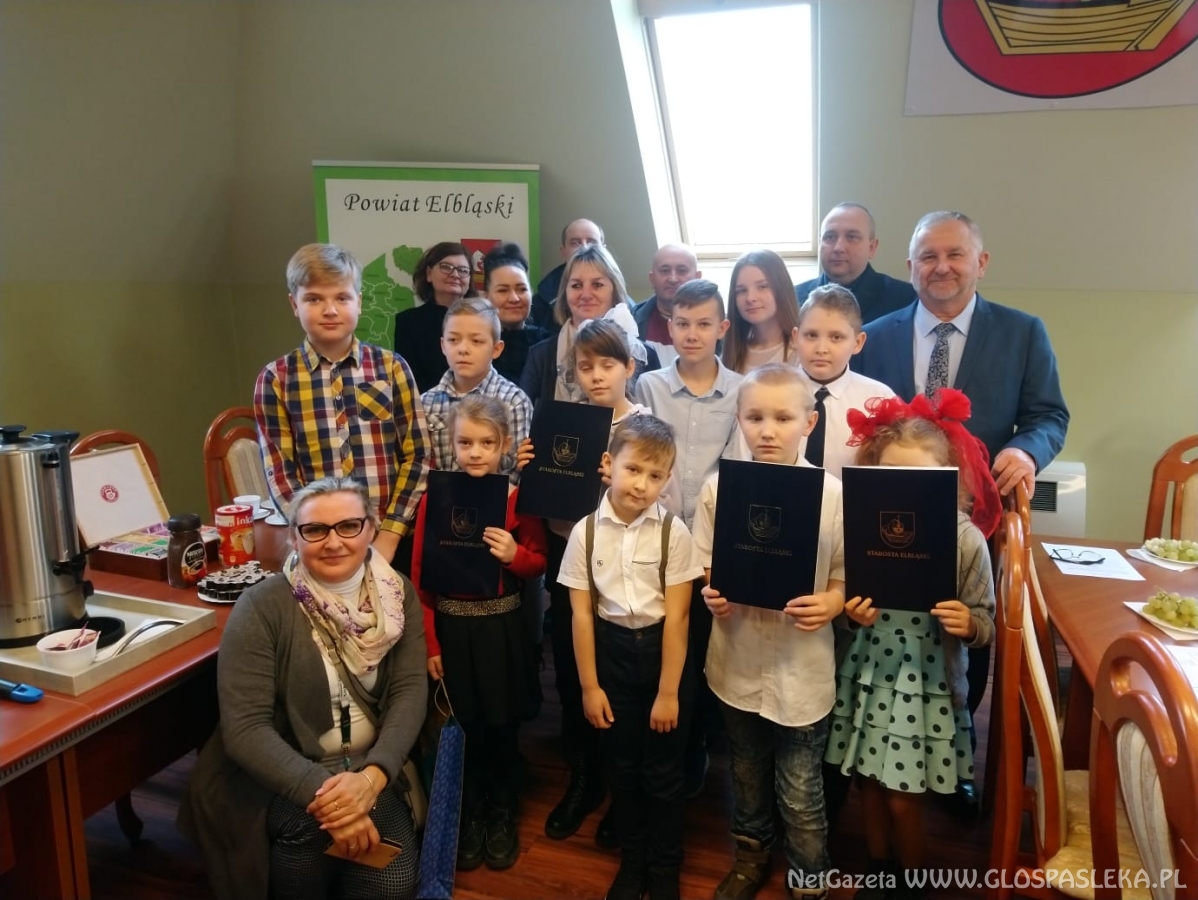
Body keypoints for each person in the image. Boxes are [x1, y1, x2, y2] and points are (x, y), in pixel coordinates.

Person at [853, 211, 1069, 769]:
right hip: (888, 519)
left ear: (982, 262)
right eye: (928, 256)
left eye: (955, 254)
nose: (941, 267)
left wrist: (1026, 451)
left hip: (975, 519)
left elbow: (1048, 416)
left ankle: (954, 754)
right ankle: (872, 749)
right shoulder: (875, 336)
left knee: (966, 629)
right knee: (885, 629)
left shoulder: (1023, 332)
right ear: (910, 265)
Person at [181, 477, 428, 900]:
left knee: (392, 886)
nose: (333, 542)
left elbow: (409, 689)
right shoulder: (261, 606)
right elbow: (246, 729)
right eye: (315, 530)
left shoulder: (397, 594)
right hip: (281, 772)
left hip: (370, 766)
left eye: (348, 526)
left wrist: (371, 779)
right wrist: (332, 798)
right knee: (307, 845)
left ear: (371, 528)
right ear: (294, 538)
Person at [824, 389, 999, 900]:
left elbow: (986, 622)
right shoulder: (862, 530)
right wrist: (851, 616)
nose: (904, 486)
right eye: (890, 475)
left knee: (905, 798)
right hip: (868, 675)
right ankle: (879, 869)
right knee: (869, 787)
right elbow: (845, 609)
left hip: (926, 686)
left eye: (920, 477)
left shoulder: (965, 540)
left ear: (949, 477)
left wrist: (968, 623)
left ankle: (911, 881)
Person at [693, 364, 845, 900]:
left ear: (809, 422)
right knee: (747, 770)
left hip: (802, 668)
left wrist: (831, 602)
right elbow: (707, 561)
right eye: (755, 417)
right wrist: (713, 589)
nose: (768, 431)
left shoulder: (832, 494)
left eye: (783, 418)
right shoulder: (718, 489)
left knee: (801, 790)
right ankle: (750, 856)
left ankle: (809, 876)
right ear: (739, 418)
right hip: (736, 659)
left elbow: (843, 574)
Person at [517, 317, 656, 845]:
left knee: (618, 673)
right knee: (574, 672)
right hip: (569, 557)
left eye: (607, 364)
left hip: (624, 567)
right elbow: (549, 504)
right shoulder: (561, 419)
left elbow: (660, 503)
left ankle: (623, 788)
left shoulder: (644, 427)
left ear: (628, 367)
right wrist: (530, 467)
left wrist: (617, 486)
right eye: (585, 366)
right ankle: (584, 777)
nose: (596, 375)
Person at [558, 415, 705, 900]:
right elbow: (582, 615)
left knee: (664, 774)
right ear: (609, 463)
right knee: (621, 767)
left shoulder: (674, 534)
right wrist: (590, 686)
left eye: (655, 475)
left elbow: (678, 618)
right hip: (612, 656)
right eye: (634, 469)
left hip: (664, 659)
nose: (642, 485)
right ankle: (633, 860)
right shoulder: (584, 532)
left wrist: (668, 693)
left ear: (667, 480)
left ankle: (664, 868)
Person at [410, 395, 547, 873]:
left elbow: (538, 561)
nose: (475, 452)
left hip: (501, 627)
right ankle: (469, 811)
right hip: (453, 628)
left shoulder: (516, 498)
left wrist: (514, 555)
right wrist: (431, 644)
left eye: (486, 443)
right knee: (464, 722)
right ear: (451, 443)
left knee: (501, 722)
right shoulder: (435, 499)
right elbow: (421, 577)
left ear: (504, 445)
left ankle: (502, 808)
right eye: (465, 442)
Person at [255, 243, 432, 569]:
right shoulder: (276, 379)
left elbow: (418, 455)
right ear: (294, 304)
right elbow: (280, 472)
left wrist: (391, 534)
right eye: (314, 299)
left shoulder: (391, 368)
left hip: (390, 541)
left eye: (342, 298)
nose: (330, 309)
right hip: (321, 546)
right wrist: (314, 533)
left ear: (359, 302)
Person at [633, 278, 741, 799]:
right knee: (663, 642)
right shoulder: (649, 387)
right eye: (682, 324)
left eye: (703, 324)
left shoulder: (741, 389)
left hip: (717, 543)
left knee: (705, 643)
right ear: (668, 327)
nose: (692, 334)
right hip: (660, 539)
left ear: (722, 328)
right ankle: (666, 743)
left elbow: (739, 466)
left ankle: (700, 739)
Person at [519, 242, 660, 405]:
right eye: (576, 285)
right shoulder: (540, 356)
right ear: (564, 293)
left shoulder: (645, 355)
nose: (586, 295)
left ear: (615, 291)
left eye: (597, 285)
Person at [419, 296, 531, 481]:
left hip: (497, 498)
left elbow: (517, 468)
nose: (463, 349)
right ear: (443, 346)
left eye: (476, 341)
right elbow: (421, 464)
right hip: (441, 498)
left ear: (496, 349)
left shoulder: (514, 401)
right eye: (453, 340)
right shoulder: (425, 403)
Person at [794, 283, 895, 479]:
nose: (821, 348)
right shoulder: (770, 392)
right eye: (811, 335)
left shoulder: (881, 399)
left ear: (858, 342)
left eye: (836, 337)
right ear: (796, 337)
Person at [794, 203, 916, 325]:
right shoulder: (794, 299)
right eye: (830, 237)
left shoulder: (905, 300)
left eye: (852, 237)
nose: (839, 248)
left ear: (872, 248)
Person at [394, 242, 479, 392]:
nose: (455, 274)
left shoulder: (482, 320)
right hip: (425, 403)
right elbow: (409, 382)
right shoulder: (408, 322)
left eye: (463, 270)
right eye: (446, 267)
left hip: (476, 402)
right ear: (428, 274)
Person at [722, 249, 802, 374]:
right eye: (741, 291)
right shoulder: (731, 353)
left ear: (782, 289)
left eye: (762, 287)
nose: (750, 298)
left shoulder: (802, 352)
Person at [481, 242, 549, 384]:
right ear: (486, 297)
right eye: (503, 290)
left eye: (522, 289)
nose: (514, 298)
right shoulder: (475, 345)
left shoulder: (548, 345)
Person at [530, 218, 605, 332]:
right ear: (563, 252)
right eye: (575, 243)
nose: (584, 247)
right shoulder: (539, 305)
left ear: (604, 251)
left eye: (591, 242)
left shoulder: (625, 305)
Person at [633, 244, 702, 366]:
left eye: (681, 270)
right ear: (652, 278)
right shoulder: (631, 323)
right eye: (665, 271)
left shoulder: (717, 324)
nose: (673, 279)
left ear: (698, 277)